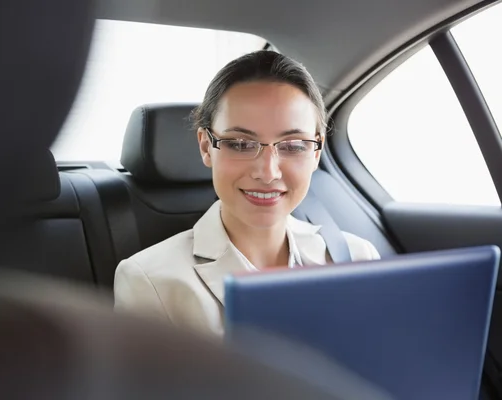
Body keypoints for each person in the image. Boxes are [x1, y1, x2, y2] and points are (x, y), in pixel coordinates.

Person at [113, 50, 380, 337]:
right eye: (240, 144)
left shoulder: (357, 257)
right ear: (206, 147)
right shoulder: (151, 281)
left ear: (316, 151)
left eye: (292, 145)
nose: (267, 173)